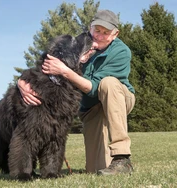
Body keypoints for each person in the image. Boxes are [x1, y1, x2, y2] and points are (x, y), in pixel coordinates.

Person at [17, 9, 135, 175]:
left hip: (117, 99)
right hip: (91, 108)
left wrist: (65, 71)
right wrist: (22, 81)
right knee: (95, 171)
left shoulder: (121, 51)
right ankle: (106, 164)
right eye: (97, 31)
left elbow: (94, 88)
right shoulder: (80, 43)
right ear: (90, 27)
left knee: (108, 84)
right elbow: (45, 64)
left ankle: (122, 158)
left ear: (115, 34)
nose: (99, 36)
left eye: (106, 33)